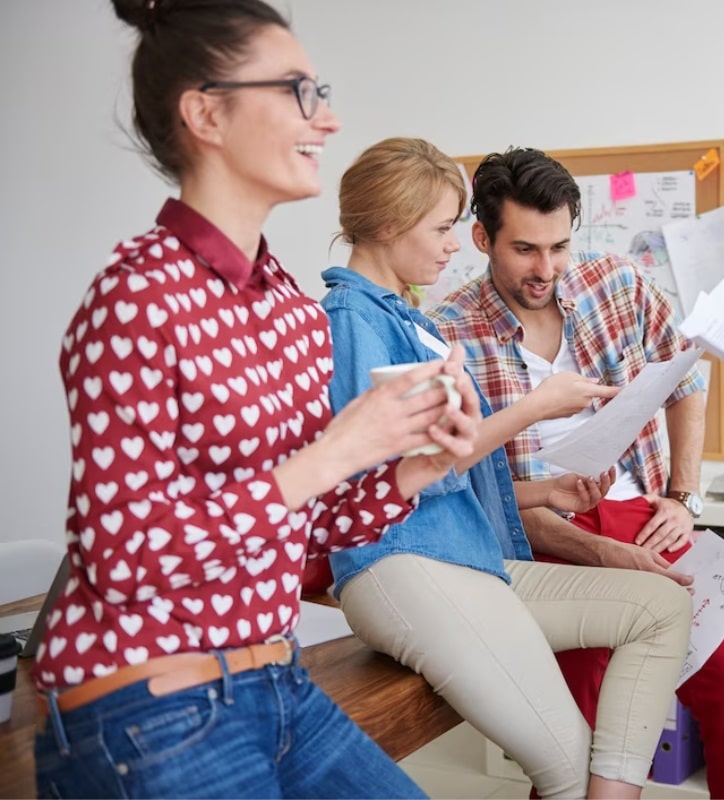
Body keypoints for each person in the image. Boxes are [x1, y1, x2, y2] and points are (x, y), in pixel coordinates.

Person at [32, 3, 483, 798]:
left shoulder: (287, 309)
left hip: (276, 681)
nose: (330, 118)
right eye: (300, 92)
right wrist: (340, 449)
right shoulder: (136, 298)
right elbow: (123, 557)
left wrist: (416, 462)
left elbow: (312, 524)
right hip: (150, 705)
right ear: (206, 113)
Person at [320, 136, 694, 800]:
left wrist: (548, 489)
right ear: (387, 225)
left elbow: (455, 470)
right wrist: (535, 407)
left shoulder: (403, 319)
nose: (449, 244)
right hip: (408, 564)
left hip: (464, 558)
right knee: (563, 765)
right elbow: (410, 473)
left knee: (662, 606)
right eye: (439, 227)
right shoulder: (352, 318)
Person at [430, 147, 724, 800]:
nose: (547, 269)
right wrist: (599, 552)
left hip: (641, 517)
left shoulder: (614, 283)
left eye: (559, 246)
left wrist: (683, 496)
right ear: (482, 238)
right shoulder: (449, 334)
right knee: (581, 731)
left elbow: (688, 378)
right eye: (525, 250)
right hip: (539, 537)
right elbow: (473, 490)